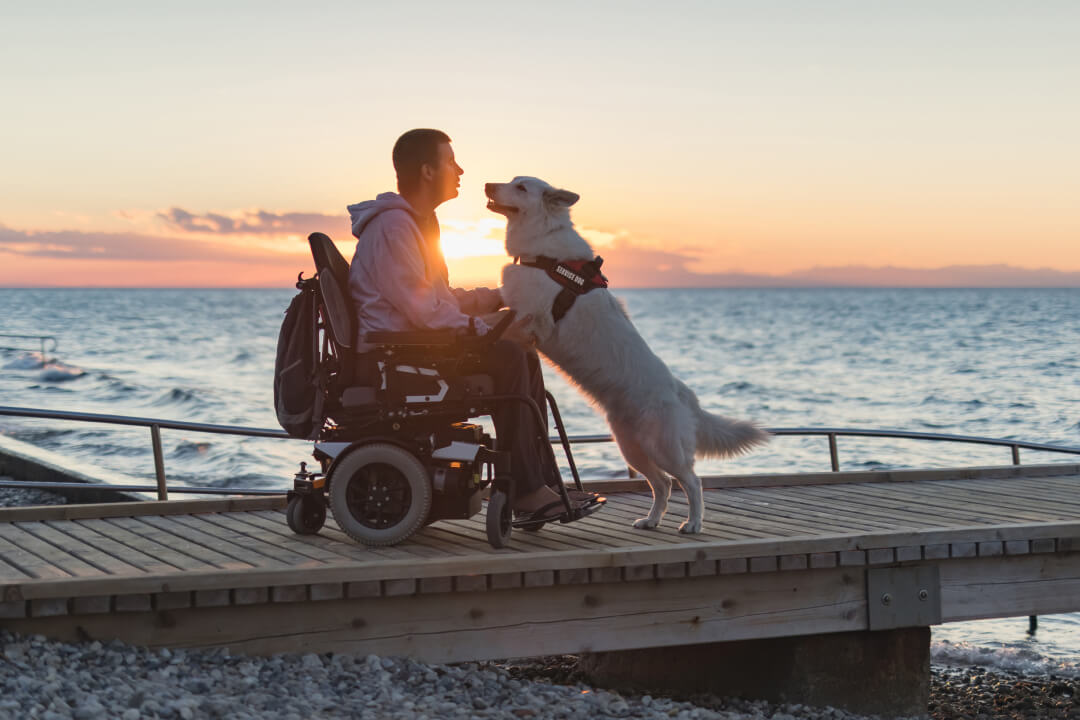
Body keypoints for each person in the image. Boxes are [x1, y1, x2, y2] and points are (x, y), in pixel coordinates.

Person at [346, 128, 579, 521]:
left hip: (414, 345)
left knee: (520, 351)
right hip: (397, 356)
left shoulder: (416, 224)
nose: (460, 170)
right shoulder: (394, 228)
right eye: (451, 161)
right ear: (426, 171)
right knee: (508, 354)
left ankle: (538, 479)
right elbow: (426, 313)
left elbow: (438, 298)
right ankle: (525, 490)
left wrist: (500, 297)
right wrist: (488, 329)